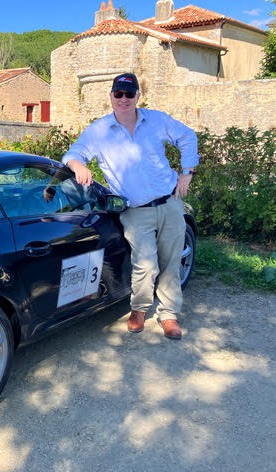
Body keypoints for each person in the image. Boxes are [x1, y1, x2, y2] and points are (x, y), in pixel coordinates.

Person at [61, 73, 198, 340]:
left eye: (129, 94)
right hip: (135, 210)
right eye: (118, 94)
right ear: (111, 96)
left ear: (138, 96)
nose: (123, 99)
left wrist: (187, 171)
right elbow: (73, 154)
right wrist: (78, 165)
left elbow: (188, 137)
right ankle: (139, 309)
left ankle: (169, 314)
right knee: (145, 264)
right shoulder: (99, 131)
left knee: (171, 262)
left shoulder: (157, 120)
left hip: (170, 202)